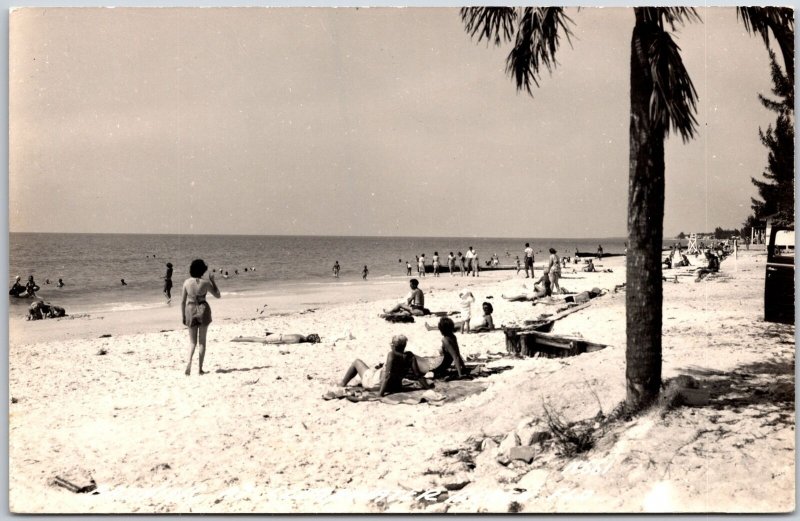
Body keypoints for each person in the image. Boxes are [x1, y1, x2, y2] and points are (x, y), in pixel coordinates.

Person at [339, 335, 431, 396]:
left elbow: (387, 376)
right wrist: (427, 388)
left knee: (357, 362)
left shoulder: (392, 355)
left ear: (394, 346)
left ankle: (342, 384)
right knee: (374, 370)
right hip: (395, 386)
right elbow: (418, 375)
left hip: (374, 384)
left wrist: (380, 394)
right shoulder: (410, 356)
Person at [181, 259, 221, 375]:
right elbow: (218, 295)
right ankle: (200, 369)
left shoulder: (186, 282)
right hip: (203, 310)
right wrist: (213, 281)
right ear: (202, 270)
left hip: (190, 309)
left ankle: (189, 362)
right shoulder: (205, 283)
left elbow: (182, 301)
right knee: (202, 342)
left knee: (192, 342)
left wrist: (183, 316)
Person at [426, 301, 494, 333]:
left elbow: (491, 328)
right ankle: (433, 327)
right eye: (484, 308)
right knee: (451, 325)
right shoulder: (484, 315)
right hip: (469, 324)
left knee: (449, 325)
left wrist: (481, 328)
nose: (485, 309)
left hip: (470, 326)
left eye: (486, 308)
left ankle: (431, 328)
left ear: (490, 309)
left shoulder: (488, 317)